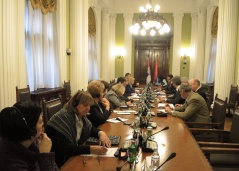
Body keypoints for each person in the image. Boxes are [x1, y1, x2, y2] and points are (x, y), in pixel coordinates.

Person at [45, 91, 111, 168]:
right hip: (60, 162)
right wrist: (91, 149)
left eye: (89, 105)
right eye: (85, 105)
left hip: (71, 157)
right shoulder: (65, 117)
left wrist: (101, 133)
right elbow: (64, 148)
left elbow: (89, 129)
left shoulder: (80, 115)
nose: (88, 108)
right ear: (75, 104)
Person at [0, 101, 58, 171]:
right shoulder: (10, 164)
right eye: (40, 122)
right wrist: (45, 155)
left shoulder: (32, 143)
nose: (43, 124)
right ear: (30, 129)